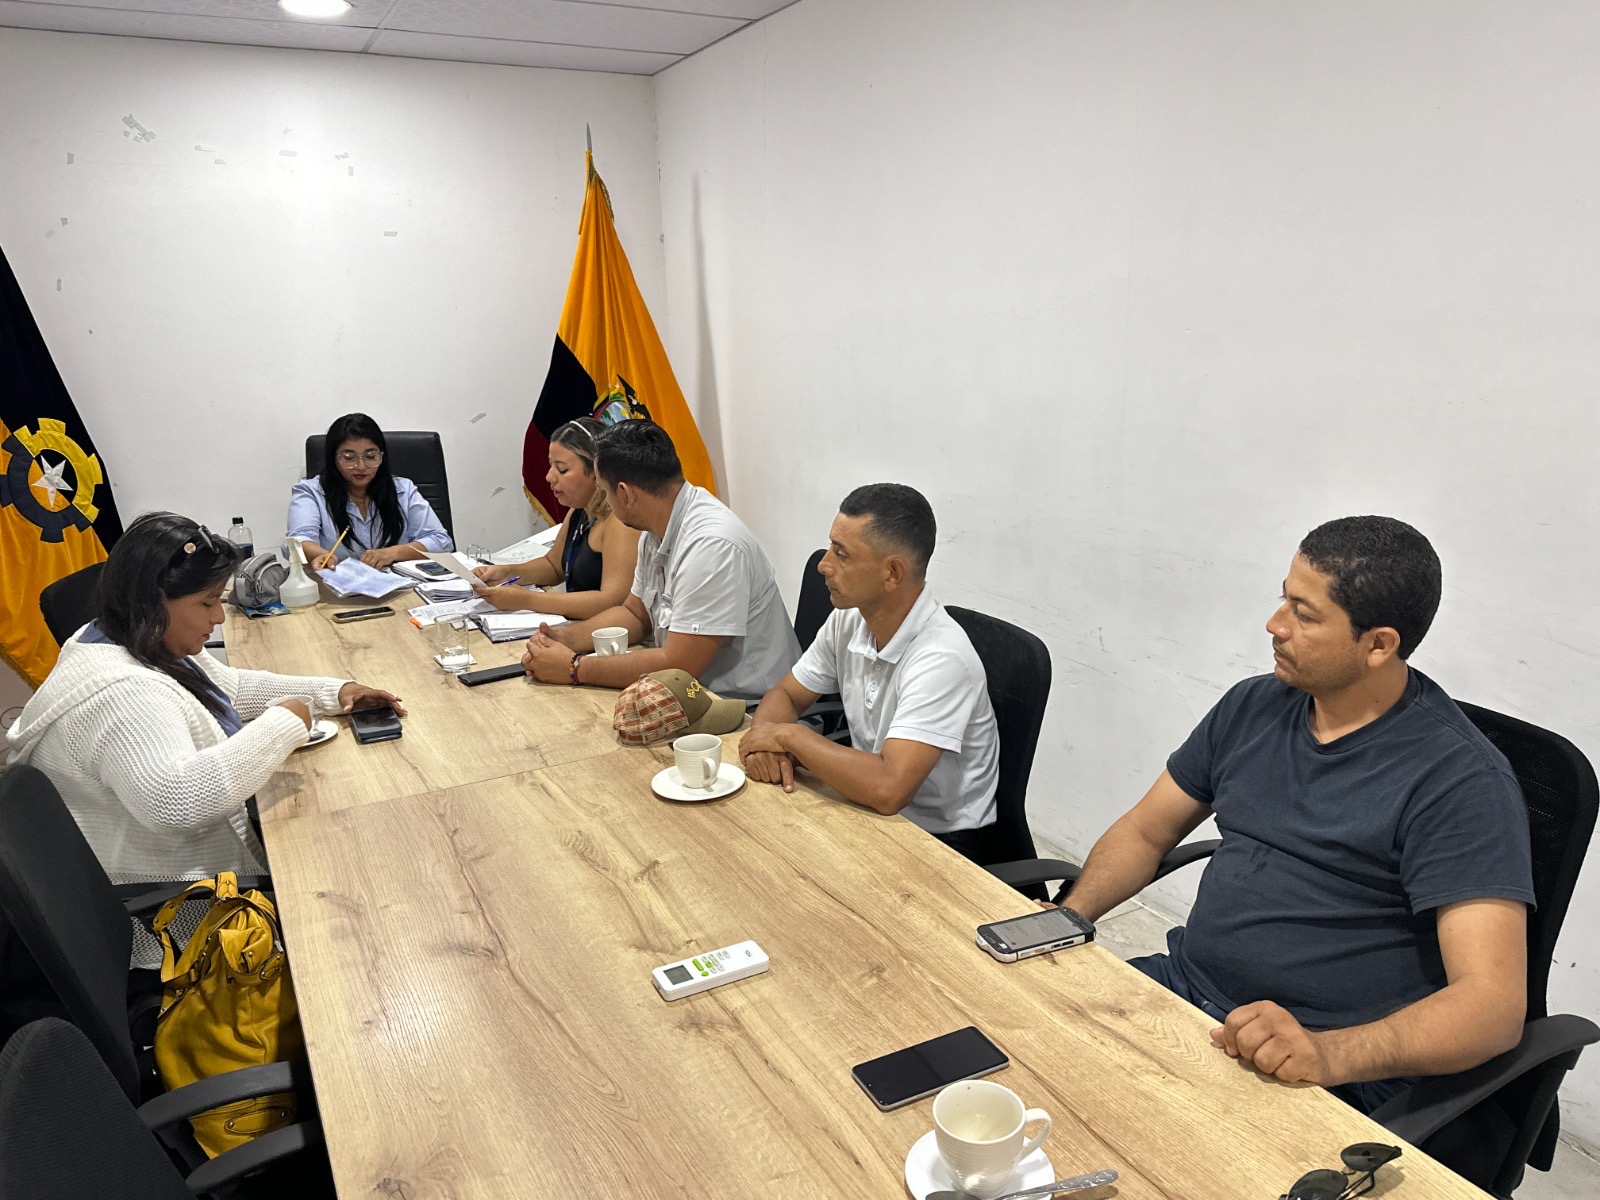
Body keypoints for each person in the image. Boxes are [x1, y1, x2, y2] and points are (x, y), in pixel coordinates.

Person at [1055, 516, 1533, 1113]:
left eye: (1304, 615)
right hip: (1184, 994)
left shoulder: (1460, 781)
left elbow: (1491, 1008)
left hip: (1319, 1064)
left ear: (1378, 645)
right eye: (1284, 598)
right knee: (1014, 1064)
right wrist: (1068, 916)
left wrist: (1327, 1054)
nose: (1275, 625)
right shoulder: (1253, 705)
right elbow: (1146, 831)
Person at [6, 512, 405, 893]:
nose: (220, 617)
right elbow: (177, 801)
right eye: (207, 603)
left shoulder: (134, 634)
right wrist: (285, 722)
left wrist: (335, 692)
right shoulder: (122, 693)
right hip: (177, 897)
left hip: (185, 857)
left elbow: (232, 689)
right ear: (153, 600)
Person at [736, 485, 999, 860]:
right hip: (868, 807)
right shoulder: (849, 620)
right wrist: (765, 745)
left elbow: (889, 789)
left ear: (892, 573)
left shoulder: (942, 658)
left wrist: (788, 736)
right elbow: (788, 694)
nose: (823, 565)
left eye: (841, 554)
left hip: (942, 841)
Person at [520, 420, 799, 702]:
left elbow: (679, 666)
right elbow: (635, 614)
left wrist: (574, 668)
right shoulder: (655, 529)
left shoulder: (711, 545)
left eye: (604, 492)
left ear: (625, 494)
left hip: (749, 709)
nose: (604, 501)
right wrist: (567, 639)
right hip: (693, 697)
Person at [470, 418, 639, 619]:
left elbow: (613, 602)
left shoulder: (620, 522)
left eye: (562, 469)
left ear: (597, 471)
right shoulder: (579, 511)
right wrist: (505, 573)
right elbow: (553, 566)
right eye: (551, 466)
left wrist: (528, 600)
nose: (549, 477)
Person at [288, 412, 452, 568]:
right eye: (349, 458)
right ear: (333, 459)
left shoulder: (403, 490)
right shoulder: (310, 492)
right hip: (338, 584)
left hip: (399, 583)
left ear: (381, 456)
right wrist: (321, 555)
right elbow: (298, 541)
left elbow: (440, 541)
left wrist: (391, 553)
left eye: (370, 457)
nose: (361, 466)